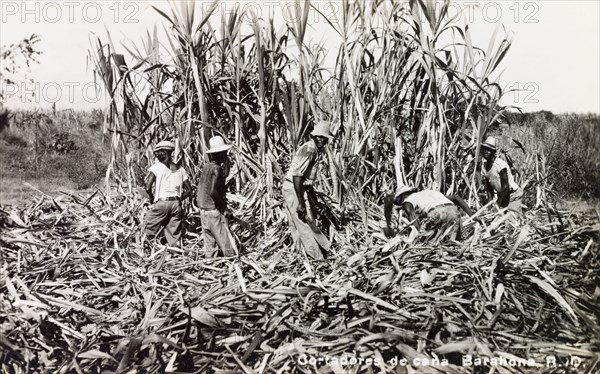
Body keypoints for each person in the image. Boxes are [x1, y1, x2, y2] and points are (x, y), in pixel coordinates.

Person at [282, 119, 332, 260]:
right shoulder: (310, 149)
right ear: (314, 136)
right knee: (304, 223)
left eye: (324, 137)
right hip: (293, 187)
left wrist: (313, 199)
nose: (321, 140)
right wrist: (301, 202)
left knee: (296, 224)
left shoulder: (314, 149)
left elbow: (304, 179)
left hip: (293, 188)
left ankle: (302, 256)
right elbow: (297, 176)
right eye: (319, 137)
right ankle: (317, 258)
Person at [384, 185, 477, 241]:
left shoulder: (407, 200)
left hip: (437, 213)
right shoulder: (429, 193)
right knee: (452, 242)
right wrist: (472, 215)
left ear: (402, 196)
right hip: (453, 210)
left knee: (430, 243)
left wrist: (418, 234)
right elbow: (456, 197)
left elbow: (411, 215)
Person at [144, 140, 192, 246]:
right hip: (176, 204)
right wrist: (178, 199)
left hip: (162, 203)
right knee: (174, 234)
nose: (156, 155)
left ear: (165, 152)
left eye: (158, 153)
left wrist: (152, 199)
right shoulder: (181, 169)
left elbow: (147, 188)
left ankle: (146, 251)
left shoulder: (156, 167)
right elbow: (189, 190)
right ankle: (175, 254)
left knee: (148, 228)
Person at [196, 135, 236, 257]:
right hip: (213, 211)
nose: (225, 155)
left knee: (210, 246)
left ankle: (211, 268)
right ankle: (233, 266)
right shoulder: (217, 169)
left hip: (203, 211)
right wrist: (224, 208)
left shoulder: (206, 167)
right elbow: (213, 192)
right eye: (223, 153)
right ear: (217, 154)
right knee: (226, 243)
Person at [480, 136, 523, 219]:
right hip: (502, 195)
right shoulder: (484, 167)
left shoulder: (500, 165)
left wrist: (497, 205)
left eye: (489, 150)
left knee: (511, 220)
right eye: (484, 149)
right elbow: (489, 189)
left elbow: (506, 187)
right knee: (495, 219)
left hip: (512, 194)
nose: (486, 152)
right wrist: (489, 208)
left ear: (493, 152)